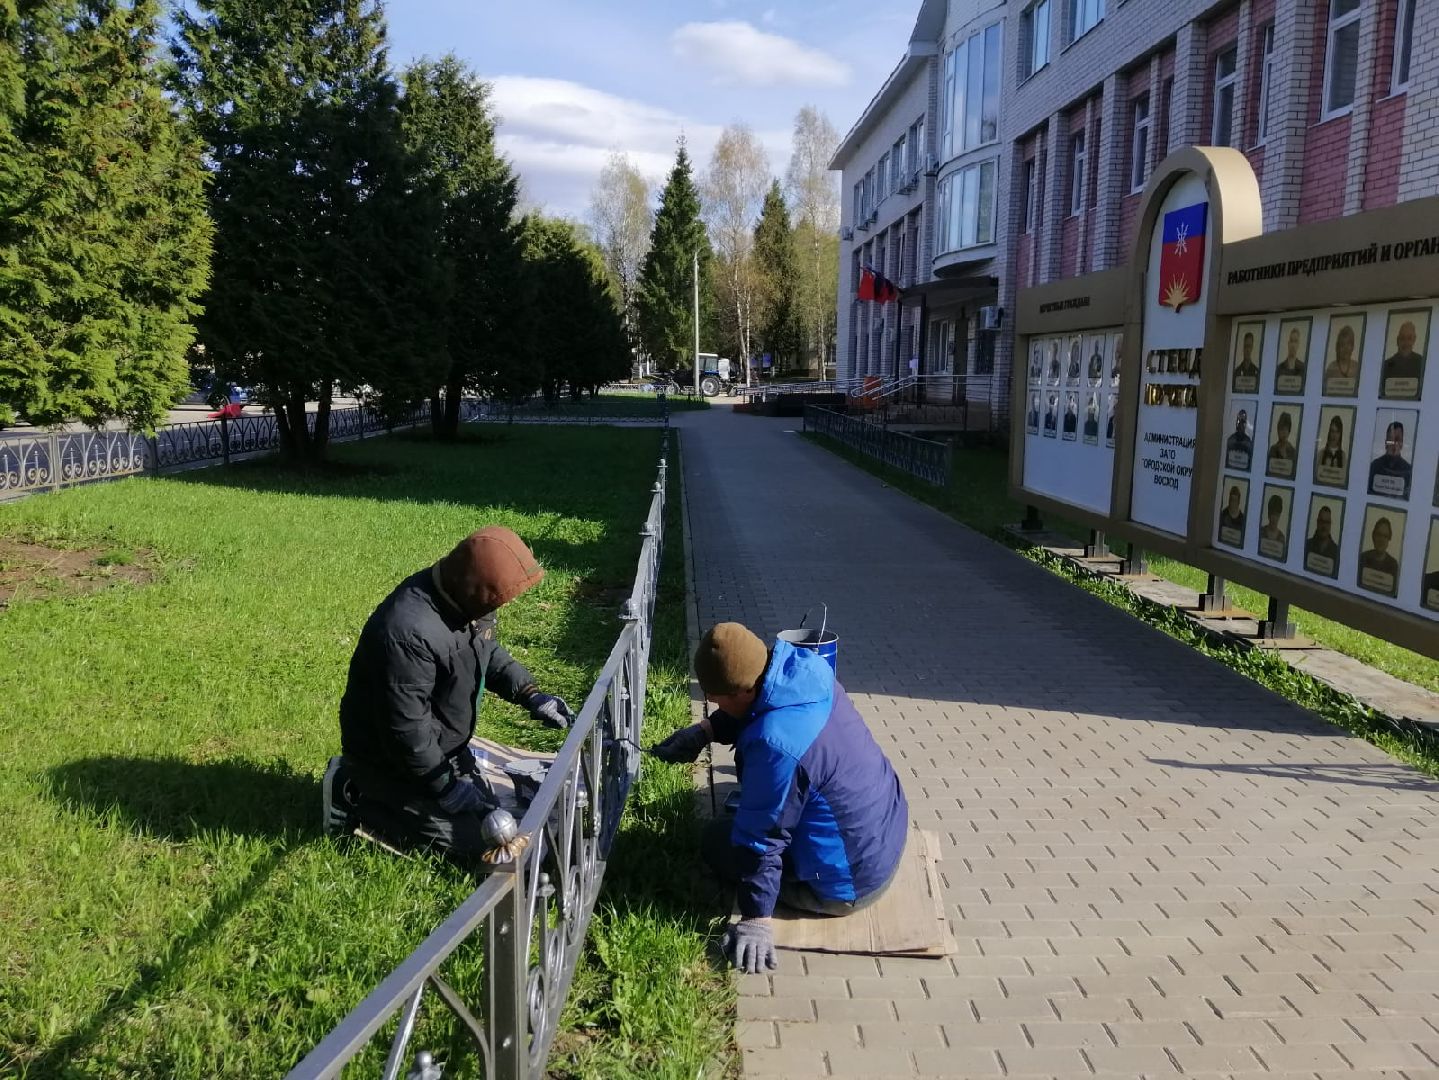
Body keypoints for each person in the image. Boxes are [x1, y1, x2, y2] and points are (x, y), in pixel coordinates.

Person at [648, 623, 909, 974]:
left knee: (719, 838)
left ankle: (796, 895)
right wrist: (704, 731)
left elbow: (762, 842)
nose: (711, 702)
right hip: (886, 836)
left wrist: (756, 919)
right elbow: (757, 705)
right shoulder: (808, 670)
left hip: (849, 885)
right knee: (757, 806)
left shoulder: (777, 745)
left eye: (716, 697)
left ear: (742, 691)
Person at [323, 527, 574, 860]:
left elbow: (486, 651)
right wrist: (445, 787)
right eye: (501, 596)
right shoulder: (407, 634)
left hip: (442, 747)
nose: (507, 603)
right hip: (389, 763)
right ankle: (353, 792)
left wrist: (530, 693)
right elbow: (406, 731)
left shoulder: (465, 600)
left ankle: (422, 794)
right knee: (482, 849)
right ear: (475, 585)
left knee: (493, 814)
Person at [1368, 421, 1412, 498]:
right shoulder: (1374, 467)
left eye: (1397, 440)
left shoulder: (1408, 471)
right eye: (1391, 439)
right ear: (1386, 443)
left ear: (1402, 444)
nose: (1394, 444)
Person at [1381, 319, 1424, 391]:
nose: (1405, 343)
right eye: (1402, 338)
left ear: (1414, 340)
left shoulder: (1422, 364)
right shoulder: (1386, 366)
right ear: (1397, 340)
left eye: (1409, 338)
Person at [1358, 516, 1400, 583]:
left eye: (1385, 536)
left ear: (1389, 539)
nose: (1381, 540)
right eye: (1379, 534)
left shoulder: (1393, 565)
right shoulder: (1362, 558)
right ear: (1373, 536)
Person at [1324, 324, 1359, 390]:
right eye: (1342, 344)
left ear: (1353, 347)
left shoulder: (1357, 368)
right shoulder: (1331, 368)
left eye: (1348, 344)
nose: (1346, 348)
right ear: (1338, 347)